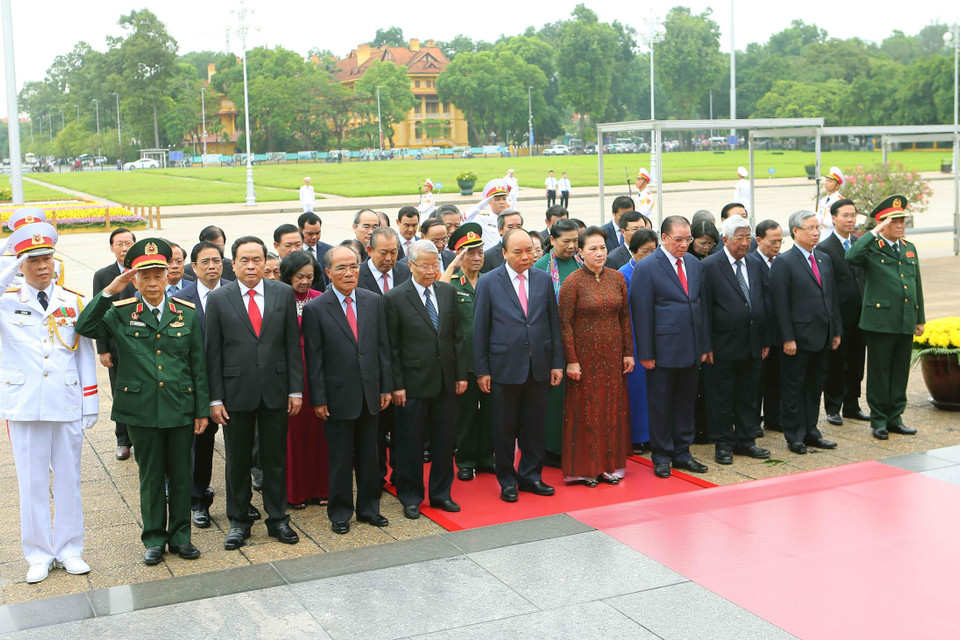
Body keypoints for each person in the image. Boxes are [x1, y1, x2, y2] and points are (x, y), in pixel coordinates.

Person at [76, 238, 209, 566]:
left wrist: (201, 409)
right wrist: (109, 291)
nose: (152, 283)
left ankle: (181, 537)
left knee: (180, 474)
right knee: (151, 475)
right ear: (134, 280)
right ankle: (154, 538)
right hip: (140, 409)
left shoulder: (186, 314)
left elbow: (197, 364)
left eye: (158, 276)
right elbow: (85, 326)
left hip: (180, 406)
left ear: (168, 278)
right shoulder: (121, 313)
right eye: (144, 277)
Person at [1, 215, 98, 583]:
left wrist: (90, 401)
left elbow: (84, 353)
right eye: (34, 261)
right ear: (20, 265)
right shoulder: (8, 299)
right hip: (24, 404)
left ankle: (71, 549)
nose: (43, 267)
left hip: (66, 400)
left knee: (70, 478)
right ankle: (38, 554)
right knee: (32, 482)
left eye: (47, 259)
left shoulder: (72, 301)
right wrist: (8, 262)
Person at [205, 236, 304, 550]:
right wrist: (215, 398)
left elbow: (291, 345)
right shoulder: (220, 298)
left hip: (276, 389)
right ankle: (238, 521)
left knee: (275, 459)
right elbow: (213, 352)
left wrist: (296, 390)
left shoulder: (283, 293)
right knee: (237, 460)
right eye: (244, 260)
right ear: (232, 264)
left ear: (266, 262)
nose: (251, 266)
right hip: (236, 392)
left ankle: (278, 519)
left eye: (257, 260)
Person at [302, 245, 392, 534]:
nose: (349, 272)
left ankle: (369, 509)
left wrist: (385, 387)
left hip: (370, 393)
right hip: (337, 396)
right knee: (340, 459)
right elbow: (314, 359)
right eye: (341, 267)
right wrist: (318, 398)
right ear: (327, 273)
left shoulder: (372, 300)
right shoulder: (316, 308)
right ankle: (340, 512)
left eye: (354, 266)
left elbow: (382, 349)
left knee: (370, 456)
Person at [474, 228, 564, 502]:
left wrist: (556, 363)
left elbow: (553, 324)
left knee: (534, 426)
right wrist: (482, 370)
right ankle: (507, 480)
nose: (526, 257)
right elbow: (480, 328)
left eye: (530, 251)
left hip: (539, 364)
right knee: (504, 428)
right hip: (503, 367)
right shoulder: (489, 282)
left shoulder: (543, 279)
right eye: (518, 252)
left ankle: (531, 476)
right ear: (503, 253)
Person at [385, 240, 467, 519]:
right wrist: (397, 385)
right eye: (425, 266)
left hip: (445, 380)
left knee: (445, 442)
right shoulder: (395, 298)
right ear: (410, 266)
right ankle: (410, 496)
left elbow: (456, 337)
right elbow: (391, 346)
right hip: (412, 383)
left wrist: (460, 375)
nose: (432, 271)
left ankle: (442, 494)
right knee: (410, 443)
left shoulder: (447, 292)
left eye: (436, 265)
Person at [630, 215, 709, 479]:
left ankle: (683, 451)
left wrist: (705, 345)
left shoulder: (695, 265)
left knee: (686, 402)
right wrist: (647, 353)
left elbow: (701, 307)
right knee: (661, 404)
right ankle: (662, 455)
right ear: (664, 238)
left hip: (691, 346)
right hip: (662, 350)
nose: (684, 244)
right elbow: (642, 313)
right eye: (678, 239)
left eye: (687, 239)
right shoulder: (648, 267)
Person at [559, 226, 634, 486]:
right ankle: (587, 468)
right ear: (580, 253)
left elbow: (624, 317)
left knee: (611, 408)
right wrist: (571, 359)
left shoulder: (616, 278)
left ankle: (609, 466)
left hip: (613, 354)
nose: (599, 253)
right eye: (593, 248)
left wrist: (628, 352)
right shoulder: (573, 282)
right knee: (587, 411)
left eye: (602, 247)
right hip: (585, 357)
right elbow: (565, 323)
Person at [846, 195, 924, 440]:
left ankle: (895, 417)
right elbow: (851, 256)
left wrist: (919, 317)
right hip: (880, 321)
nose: (900, 226)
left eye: (902, 221)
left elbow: (916, 285)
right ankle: (879, 419)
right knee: (880, 372)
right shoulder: (871, 247)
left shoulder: (909, 248)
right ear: (882, 223)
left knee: (900, 371)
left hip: (904, 319)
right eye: (894, 222)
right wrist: (874, 232)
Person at [770, 211, 842, 455]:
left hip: (822, 335)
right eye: (810, 228)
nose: (815, 233)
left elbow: (831, 298)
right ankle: (794, 434)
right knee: (794, 388)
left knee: (814, 387)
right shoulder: (785, 261)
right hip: (797, 339)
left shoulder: (823, 258)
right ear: (795, 232)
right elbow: (780, 304)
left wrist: (836, 330)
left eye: (817, 228)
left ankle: (811, 430)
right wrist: (787, 337)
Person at [701, 216, 771, 464]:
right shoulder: (710, 266)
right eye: (739, 237)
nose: (745, 243)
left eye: (747, 237)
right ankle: (723, 443)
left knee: (749, 394)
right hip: (723, 345)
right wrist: (705, 345)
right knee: (722, 397)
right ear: (725, 239)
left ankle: (746, 440)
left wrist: (765, 339)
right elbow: (704, 309)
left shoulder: (754, 262)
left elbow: (763, 302)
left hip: (752, 342)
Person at [178, 241, 228, 528]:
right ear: (193, 266)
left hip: (234, 380)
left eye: (217, 260)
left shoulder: (235, 291)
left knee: (241, 445)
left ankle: (240, 501)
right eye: (205, 261)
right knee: (201, 444)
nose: (212, 266)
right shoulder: (182, 299)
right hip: (197, 384)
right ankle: (198, 501)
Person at [439, 223, 493, 481]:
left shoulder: (489, 281)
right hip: (464, 362)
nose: (477, 257)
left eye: (480, 252)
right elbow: (436, 295)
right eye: (470, 253)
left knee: (490, 413)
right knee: (466, 415)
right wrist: (451, 265)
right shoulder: (451, 283)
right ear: (459, 256)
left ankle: (486, 457)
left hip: (490, 361)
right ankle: (465, 460)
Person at [279, 252, 327, 511]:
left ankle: (321, 488)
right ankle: (295, 492)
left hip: (317, 372)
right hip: (290, 374)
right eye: (299, 277)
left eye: (310, 276)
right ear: (288, 276)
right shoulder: (279, 299)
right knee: (294, 436)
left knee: (319, 433)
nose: (305, 282)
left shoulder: (320, 299)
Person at [532, 218, 582, 466]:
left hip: (581, 342)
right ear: (551, 241)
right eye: (566, 241)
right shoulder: (540, 268)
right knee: (554, 399)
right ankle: (551, 448)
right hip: (552, 343)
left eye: (575, 240)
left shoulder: (581, 264)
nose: (572, 246)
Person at [817, 198, 869, 426]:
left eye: (853, 215)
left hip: (861, 315)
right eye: (845, 215)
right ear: (834, 218)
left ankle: (852, 405)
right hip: (838, 316)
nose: (850, 219)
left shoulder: (859, 244)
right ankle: (833, 407)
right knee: (837, 364)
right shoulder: (824, 248)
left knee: (858, 362)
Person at [92, 227, 137, 460]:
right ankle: (123, 439)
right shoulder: (102, 275)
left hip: (142, 346)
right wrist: (103, 349)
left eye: (128, 243)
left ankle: (142, 436)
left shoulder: (143, 271)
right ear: (111, 247)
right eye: (119, 244)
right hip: (116, 347)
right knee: (121, 392)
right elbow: (98, 313)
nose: (124, 248)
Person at [619, 229, 658, 452]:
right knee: (637, 389)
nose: (650, 255)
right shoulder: (623, 274)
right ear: (633, 251)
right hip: (633, 335)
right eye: (645, 251)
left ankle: (654, 433)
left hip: (655, 334)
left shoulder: (658, 270)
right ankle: (636, 437)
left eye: (654, 251)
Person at [748, 220, 784, 434]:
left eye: (780, 241)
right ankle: (753, 421)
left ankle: (774, 417)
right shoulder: (751, 262)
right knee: (756, 382)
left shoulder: (782, 261)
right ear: (759, 240)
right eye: (773, 242)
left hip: (779, 332)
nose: (777, 246)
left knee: (776, 378)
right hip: (760, 332)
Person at [463, 179, 511, 249]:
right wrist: (479, 206)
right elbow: (464, 220)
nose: (502, 202)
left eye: (504, 199)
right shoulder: (483, 219)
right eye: (497, 199)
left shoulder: (511, 219)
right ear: (489, 202)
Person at [480, 210, 524, 274]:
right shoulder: (488, 257)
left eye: (519, 226)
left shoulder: (528, 252)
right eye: (510, 227)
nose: (515, 230)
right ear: (500, 229)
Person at [299, 212, 332, 291]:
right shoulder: (294, 252)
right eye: (310, 234)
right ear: (300, 230)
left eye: (318, 233)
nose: (314, 237)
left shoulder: (329, 251)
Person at [817, 166, 845, 231]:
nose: (826, 183)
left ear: (837, 185)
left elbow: (837, 221)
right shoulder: (823, 200)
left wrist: (821, 220)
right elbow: (817, 216)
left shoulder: (840, 201)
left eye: (830, 181)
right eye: (826, 181)